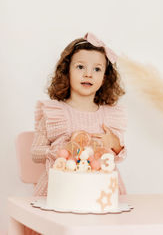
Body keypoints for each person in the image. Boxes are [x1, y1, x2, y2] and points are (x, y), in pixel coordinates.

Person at [31, 32, 127, 197]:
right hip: (60, 192)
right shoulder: (55, 113)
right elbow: (35, 152)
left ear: (104, 78)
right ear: (67, 70)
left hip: (100, 194)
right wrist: (58, 151)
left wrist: (115, 144)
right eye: (80, 67)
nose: (88, 74)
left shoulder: (110, 116)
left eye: (97, 69)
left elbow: (118, 156)